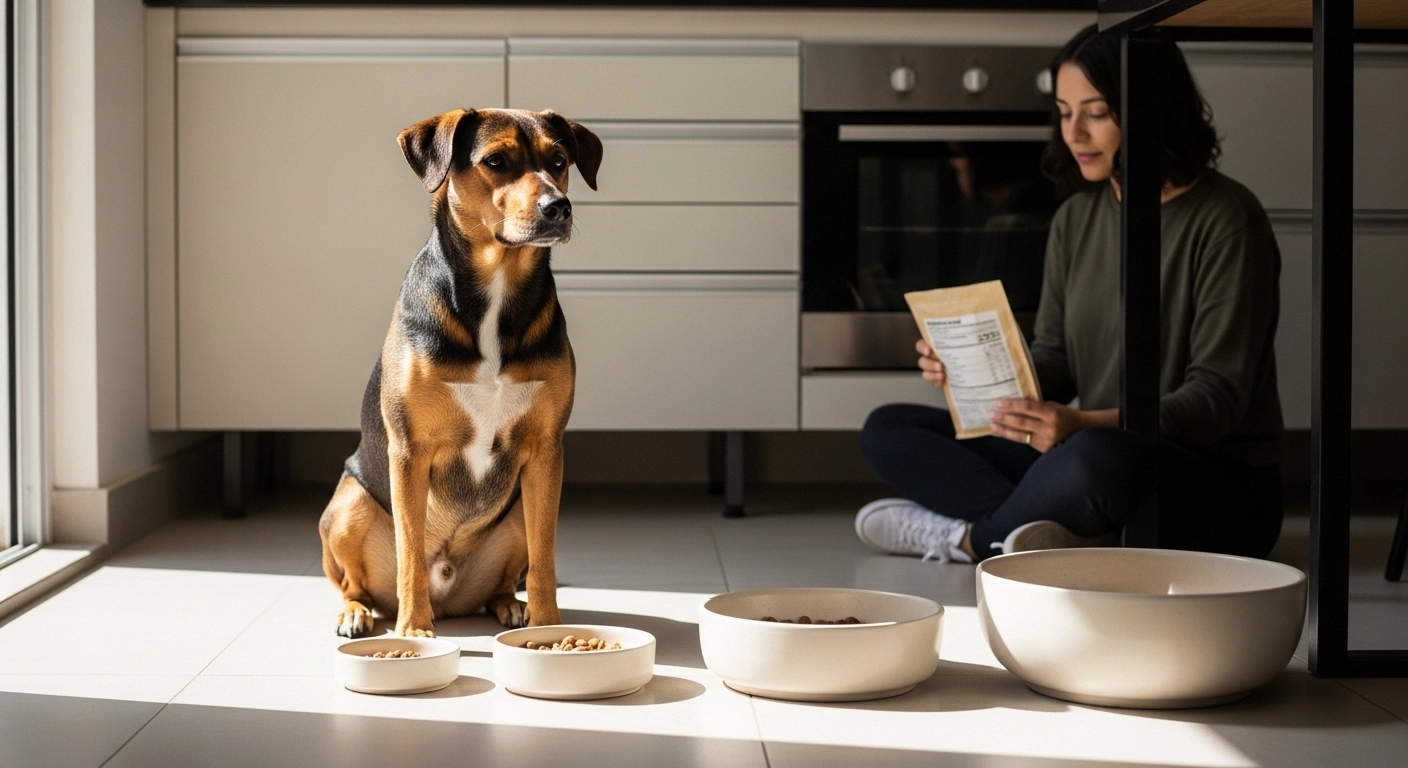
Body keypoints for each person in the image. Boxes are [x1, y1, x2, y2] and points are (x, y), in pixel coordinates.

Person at [854, 24, 1285, 564]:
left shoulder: (1227, 218)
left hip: (1213, 485)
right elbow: (1056, 359)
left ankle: (972, 539)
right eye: (1063, 111)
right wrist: (970, 371)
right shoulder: (1076, 217)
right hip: (1086, 453)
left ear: (1153, 111)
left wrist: (1080, 423)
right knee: (889, 429)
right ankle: (1060, 525)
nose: (1073, 133)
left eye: (1096, 113)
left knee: (1093, 459)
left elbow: (1216, 401)